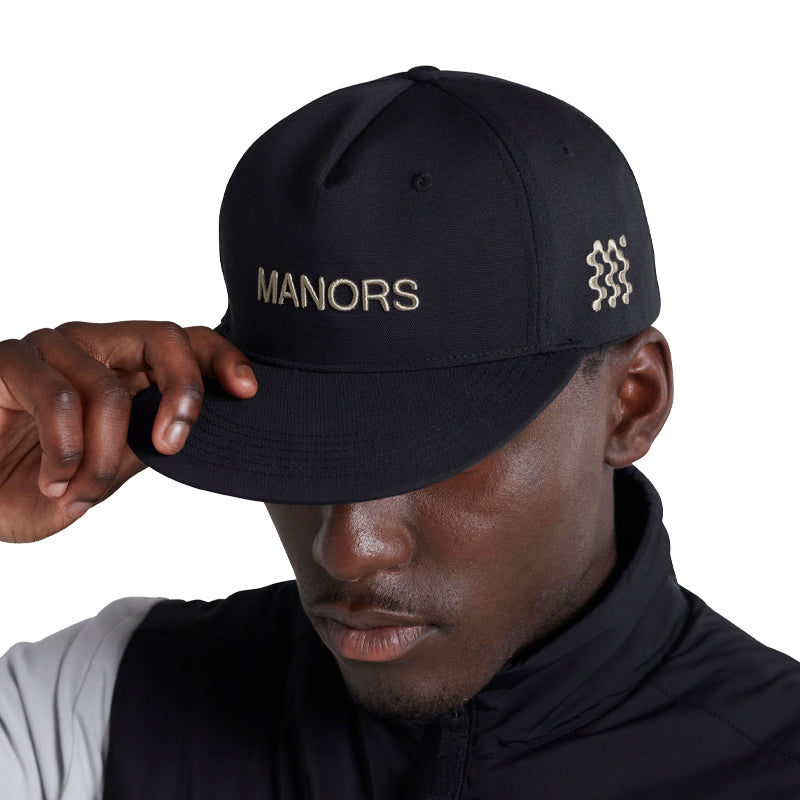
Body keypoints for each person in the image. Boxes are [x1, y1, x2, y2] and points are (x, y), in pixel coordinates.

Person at [0, 65, 798, 799]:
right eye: (306, 452)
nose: (350, 550)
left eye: (438, 454)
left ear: (632, 402)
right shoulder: (95, 712)